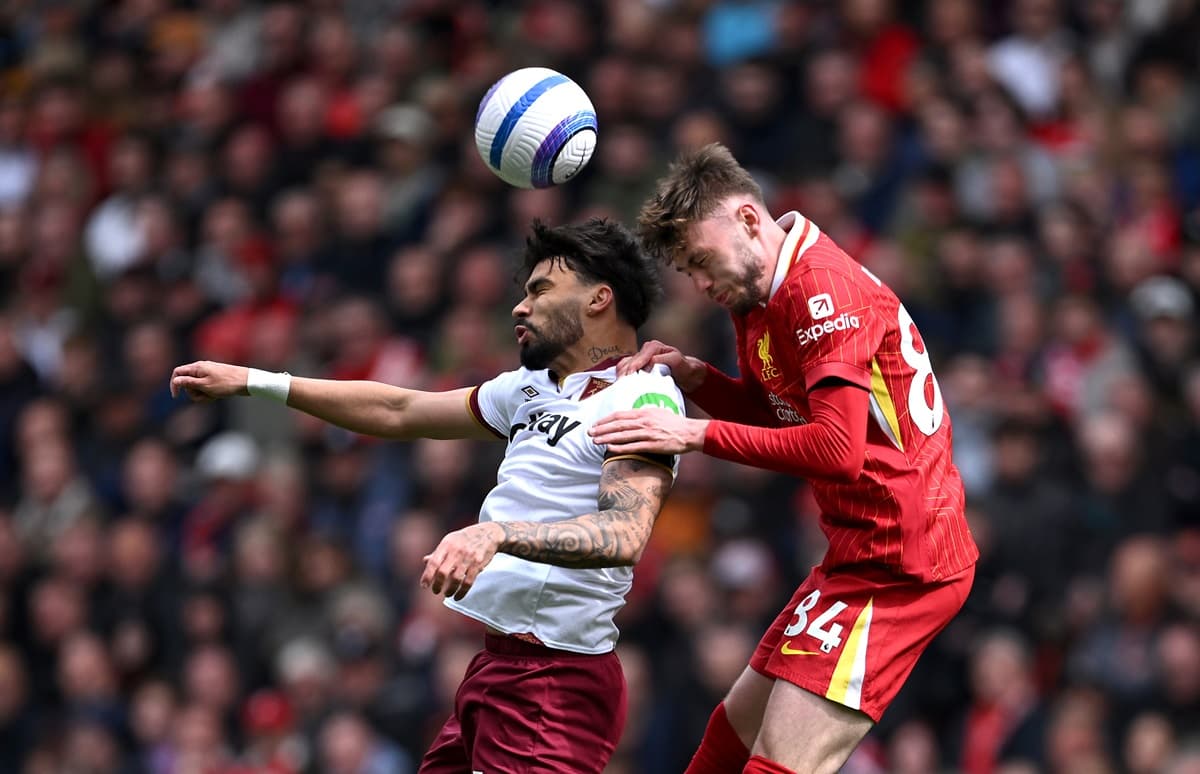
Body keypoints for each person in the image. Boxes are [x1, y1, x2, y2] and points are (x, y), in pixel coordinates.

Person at [170, 218, 684, 774]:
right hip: (498, 668)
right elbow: (399, 409)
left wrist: (495, 533)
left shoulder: (642, 395)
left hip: (555, 683)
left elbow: (625, 533)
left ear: (599, 298)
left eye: (540, 290)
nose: (520, 307)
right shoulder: (530, 389)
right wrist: (257, 380)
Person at [590, 144, 979, 774]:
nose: (701, 284)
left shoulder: (822, 291)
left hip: (905, 566)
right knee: (729, 738)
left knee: (777, 764)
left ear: (747, 220)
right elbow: (784, 416)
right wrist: (695, 377)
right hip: (857, 551)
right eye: (689, 271)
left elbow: (836, 450)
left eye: (700, 261)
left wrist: (692, 434)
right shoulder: (758, 294)